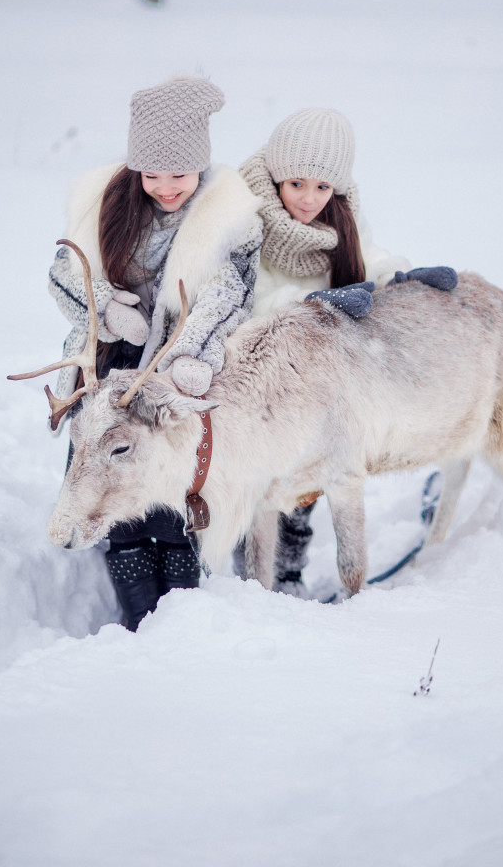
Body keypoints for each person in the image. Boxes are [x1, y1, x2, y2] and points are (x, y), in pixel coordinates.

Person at [48, 76, 262, 630]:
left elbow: (231, 294)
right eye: (153, 174)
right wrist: (103, 309)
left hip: (170, 379)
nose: (166, 187)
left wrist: (194, 354)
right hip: (101, 374)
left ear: (202, 167)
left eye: (180, 174)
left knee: (171, 500)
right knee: (110, 497)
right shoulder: (104, 205)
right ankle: (138, 618)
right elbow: (64, 275)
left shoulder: (229, 220)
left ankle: (179, 620)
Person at [238, 106, 451, 596]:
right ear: (275, 177)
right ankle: (253, 577)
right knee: (263, 486)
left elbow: (364, 258)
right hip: (264, 372)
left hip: (319, 378)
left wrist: (396, 275)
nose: (309, 199)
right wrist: (307, 303)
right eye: (296, 185)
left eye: (321, 187)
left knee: (309, 483)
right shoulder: (249, 222)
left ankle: (289, 572)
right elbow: (245, 296)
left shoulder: (342, 214)